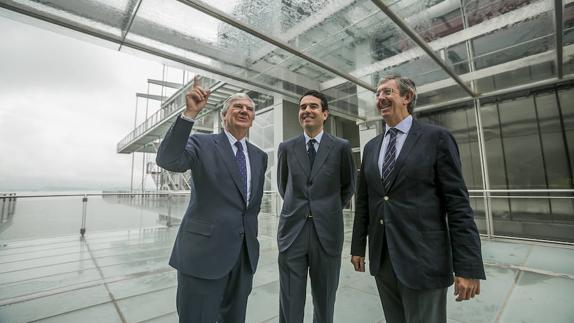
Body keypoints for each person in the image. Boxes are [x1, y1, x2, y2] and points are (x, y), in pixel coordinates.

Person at [350, 75, 485, 323]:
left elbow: (458, 205)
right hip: (383, 259)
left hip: (423, 260)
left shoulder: (437, 138)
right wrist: (358, 247)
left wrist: (467, 266)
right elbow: (364, 203)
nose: (380, 98)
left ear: (407, 97)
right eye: (377, 94)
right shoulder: (371, 148)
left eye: (387, 92)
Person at [156, 76, 268, 323]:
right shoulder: (201, 143)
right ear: (223, 116)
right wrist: (189, 114)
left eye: (249, 109)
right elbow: (168, 160)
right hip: (203, 256)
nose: (244, 110)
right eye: (237, 106)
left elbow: (250, 206)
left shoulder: (259, 156)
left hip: (243, 257)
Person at [277, 90, 356, 323]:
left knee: (325, 299)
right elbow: (284, 186)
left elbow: (348, 186)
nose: (306, 111)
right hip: (293, 233)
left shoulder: (341, 147)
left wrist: (325, 209)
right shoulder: (287, 147)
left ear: (325, 114)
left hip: (327, 233)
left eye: (313, 106)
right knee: (290, 300)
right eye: (302, 107)